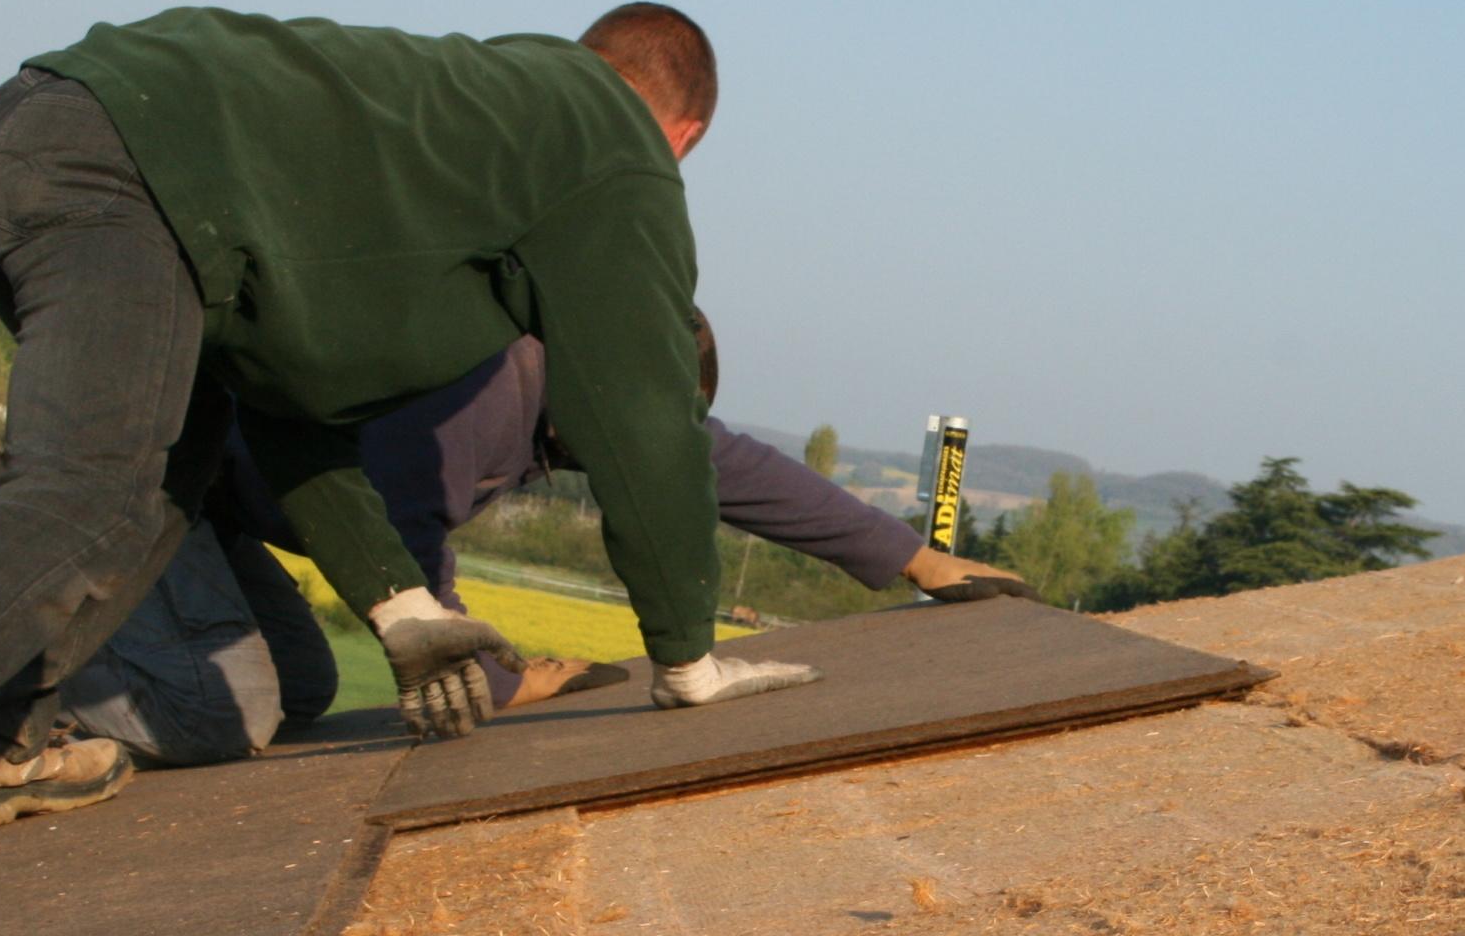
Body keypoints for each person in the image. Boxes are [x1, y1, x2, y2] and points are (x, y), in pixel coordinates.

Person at [0, 3, 815, 925]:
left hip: (35, 138)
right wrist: (688, 659)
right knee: (87, 486)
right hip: (117, 166)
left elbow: (282, 396)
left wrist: (399, 603)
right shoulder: (610, 148)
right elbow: (645, 414)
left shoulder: (444, 141)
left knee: (162, 470)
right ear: (686, 133)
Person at [63, 323, 1029, 763]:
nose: (642, 460)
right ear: (613, 391)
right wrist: (512, 682)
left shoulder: (578, 392)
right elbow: (407, 593)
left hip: (217, 507)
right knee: (220, 720)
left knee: (305, 691)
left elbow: (735, 471)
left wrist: (920, 561)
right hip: (137, 481)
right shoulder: (470, 406)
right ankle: (12, 686)